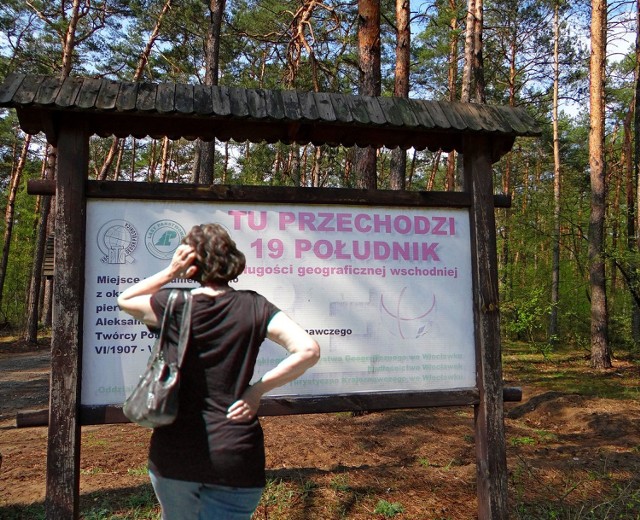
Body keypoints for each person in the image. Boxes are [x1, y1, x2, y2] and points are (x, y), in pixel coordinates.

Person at [117, 223, 320, 520]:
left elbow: (125, 300)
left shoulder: (175, 305)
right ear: (231, 259)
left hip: (176, 453)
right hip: (237, 453)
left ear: (191, 263)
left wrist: (171, 272)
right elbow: (308, 350)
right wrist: (256, 391)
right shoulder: (255, 306)